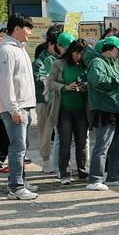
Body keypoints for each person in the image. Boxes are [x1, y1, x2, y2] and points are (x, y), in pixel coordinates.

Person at [0, 14, 38, 200]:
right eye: (27, 28)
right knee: (17, 148)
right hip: (16, 108)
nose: (30, 32)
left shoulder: (19, 49)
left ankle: (21, 182)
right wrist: (13, 108)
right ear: (17, 28)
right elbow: (5, 82)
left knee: (22, 147)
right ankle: (16, 187)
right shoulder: (6, 50)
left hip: (24, 105)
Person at [85, 36, 119, 191]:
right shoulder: (97, 63)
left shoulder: (113, 63)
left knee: (118, 145)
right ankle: (95, 179)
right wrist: (118, 78)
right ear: (111, 48)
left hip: (117, 108)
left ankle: (114, 176)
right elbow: (98, 81)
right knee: (102, 146)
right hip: (105, 109)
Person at [49, 37, 90, 185]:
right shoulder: (59, 63)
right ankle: (65, 174)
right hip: (64, 109)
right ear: (71, 51)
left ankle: (83, 171)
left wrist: (86, 86)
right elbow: (50, 82)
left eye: (82, 54)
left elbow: (93, 81)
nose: (79, 57)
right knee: (65, 143)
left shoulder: (86, 65)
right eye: (76, 53)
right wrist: (65, 87)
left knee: (82, 142)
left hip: (82, 110)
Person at [32, 28, 63, 170]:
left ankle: (61, 162)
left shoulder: (61, 58)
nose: (60, 48)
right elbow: (38, 79)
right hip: (43, 100)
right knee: (45, 131)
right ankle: (45, 161)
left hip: (60, 99)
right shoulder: (40, 61)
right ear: (51, 44)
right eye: (58, 45)